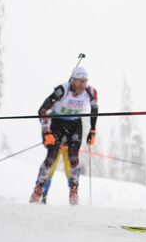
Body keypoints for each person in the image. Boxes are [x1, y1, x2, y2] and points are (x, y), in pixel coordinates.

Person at [29, 66, 98, 205]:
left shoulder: (90, 92)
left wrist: (92, 130)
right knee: (52, 157)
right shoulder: (62, 90)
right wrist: (46, 131)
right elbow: (42, 110)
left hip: (75, 126)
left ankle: (73, 191)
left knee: (73, 158)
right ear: (72, 80)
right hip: (57, 124)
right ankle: (38, 189)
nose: (82, 85)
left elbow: (94, 110)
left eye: (84, 81)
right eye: (79, 81)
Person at [40, 140, 71, 204]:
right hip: (57, 145)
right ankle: (44, 194)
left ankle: (73, 192)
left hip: (67, 147)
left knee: (69, 170)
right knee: (50, 169)